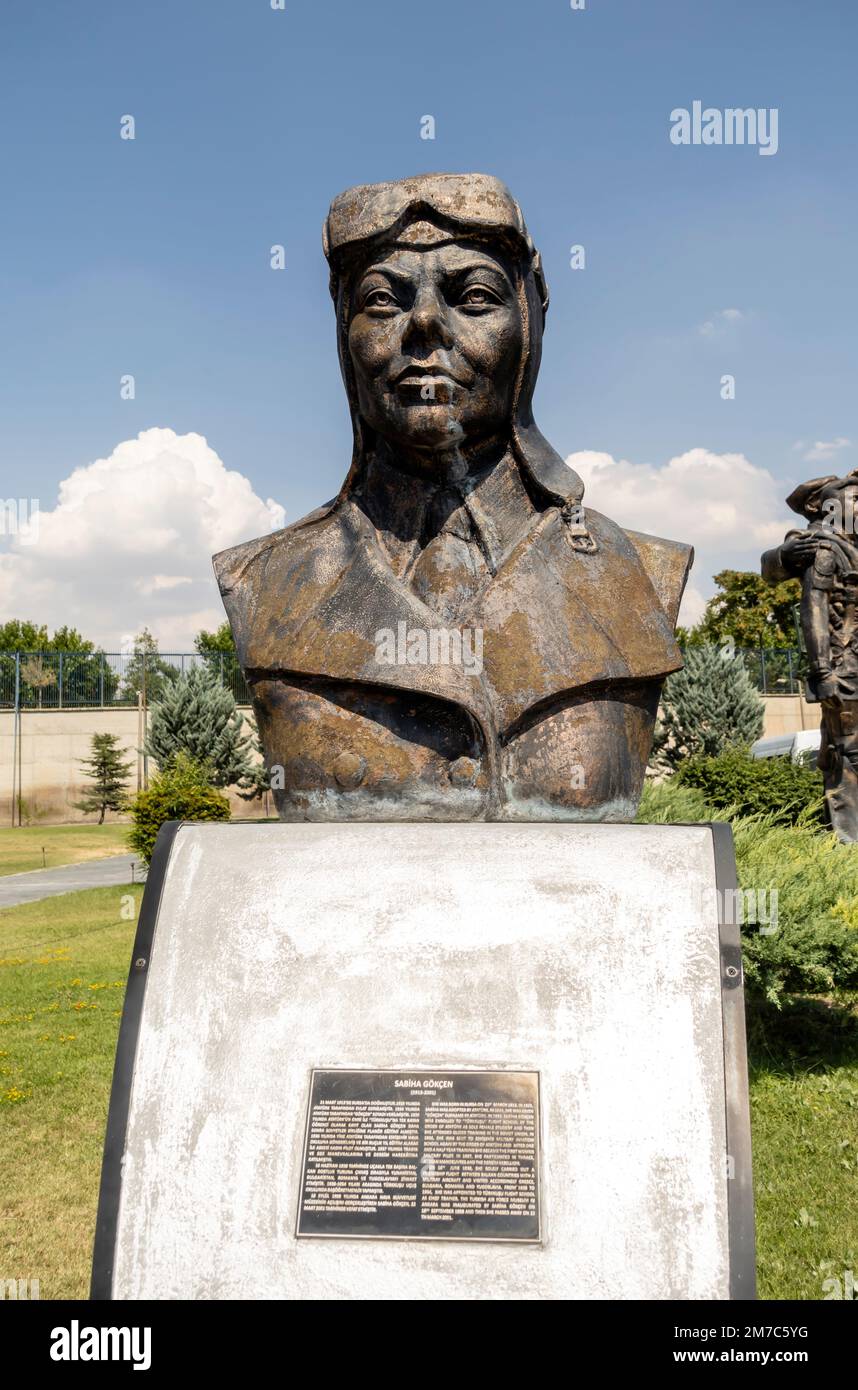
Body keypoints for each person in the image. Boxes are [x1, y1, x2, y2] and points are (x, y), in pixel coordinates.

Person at [214, 173, 692, 821]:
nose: (426, 324)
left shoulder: (635, 574)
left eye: (474, 296)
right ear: (343, 333)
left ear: (530, 319)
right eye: (382, 301)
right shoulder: (264, 582)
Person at [762, 470, 858, 840]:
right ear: (825, 507)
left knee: (838, 749)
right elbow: (810, 608)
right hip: (842, 668)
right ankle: (848, 842)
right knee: (847, 751)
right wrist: (821, 671)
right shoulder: (822, 545)